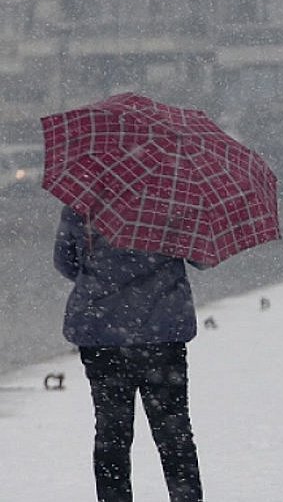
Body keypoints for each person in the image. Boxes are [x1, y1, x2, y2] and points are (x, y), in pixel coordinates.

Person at [54, 206, 205, 502]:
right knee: (174, 433)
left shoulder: (83, 201)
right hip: (162, 334)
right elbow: (201, 257)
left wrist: (105, 281)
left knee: (112, 433)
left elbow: (66, 262)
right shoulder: (176, 196)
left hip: (102, 333)